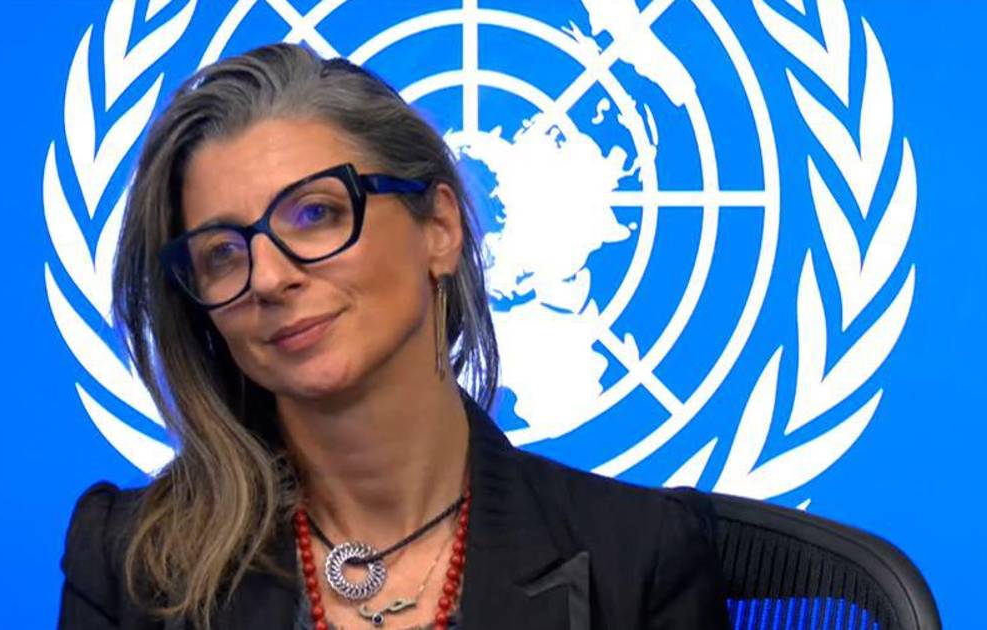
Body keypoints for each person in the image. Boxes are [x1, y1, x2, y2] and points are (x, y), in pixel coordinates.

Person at [57, 42, 730, 630]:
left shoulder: (638, 557)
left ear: (439, 228)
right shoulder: (130, 563)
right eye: (223, 254)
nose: (268, 277)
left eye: (314, 214)